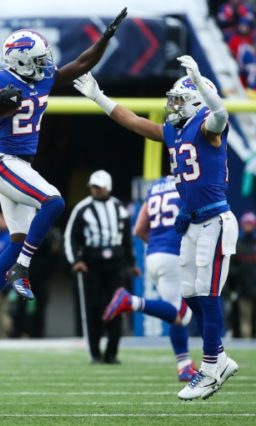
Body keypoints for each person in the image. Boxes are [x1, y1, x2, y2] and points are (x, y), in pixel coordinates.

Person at [73, 55, 240, 400]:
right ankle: (218, 357)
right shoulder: (175, 132)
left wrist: (199, 79)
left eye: (179, 99)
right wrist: (99, 97)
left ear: (196, 101)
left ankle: (211, 366)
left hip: (214, 221)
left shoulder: (208, 125)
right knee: (191, 296)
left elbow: (222, 115)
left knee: (207, 296)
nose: (172, 106)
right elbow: (133, 122)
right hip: (192, 223)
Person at [0, 8, 129, 346]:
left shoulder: (42, 77)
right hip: (5, 162)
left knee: (17, 238)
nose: (46, 63)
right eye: (39, 59)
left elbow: (81, 64)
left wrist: (105, 38)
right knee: (53, 202)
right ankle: (21, 269)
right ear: (20, 60)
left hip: (19, 166)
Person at [102, 176, 197, 382]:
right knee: (182, 315)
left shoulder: (156, 186)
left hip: (153, 255)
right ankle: (130, 301)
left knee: (175, 315)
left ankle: (184, 366)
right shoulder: (188, 182)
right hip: (174, 255)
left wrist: (158, 245)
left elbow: (138, 229)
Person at [64, 170, 139, 364]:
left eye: (99, 186)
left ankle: (112, 353)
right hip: (92, 264)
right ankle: (95, 353)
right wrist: (76, 261)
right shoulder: (83, 208)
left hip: (115, 264)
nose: (95, 190)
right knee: (93, 308)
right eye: (93, 186)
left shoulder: (119, 208)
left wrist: (132, 263)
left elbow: (127, 239)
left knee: (117, 306)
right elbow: (70, 237)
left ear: (108, 187)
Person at [229, 212, 256, 337]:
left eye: (250, 224)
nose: (248, 227)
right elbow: (232, 268)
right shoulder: (237, 243)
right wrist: (234, 289)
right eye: (246, 224)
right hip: (243, 290)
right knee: (244, 318)